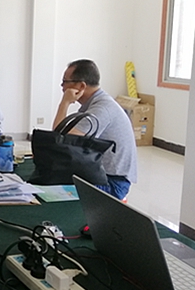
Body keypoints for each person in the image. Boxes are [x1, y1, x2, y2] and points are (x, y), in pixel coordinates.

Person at [52, 59, 137, 199]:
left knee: (52, 183)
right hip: (98, 173)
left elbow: (60, 140)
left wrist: (64, 103)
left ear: (81, 86)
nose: (62, 86)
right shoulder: (95, 103)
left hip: (111, 182)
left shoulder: (102, 109)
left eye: (65, 81)